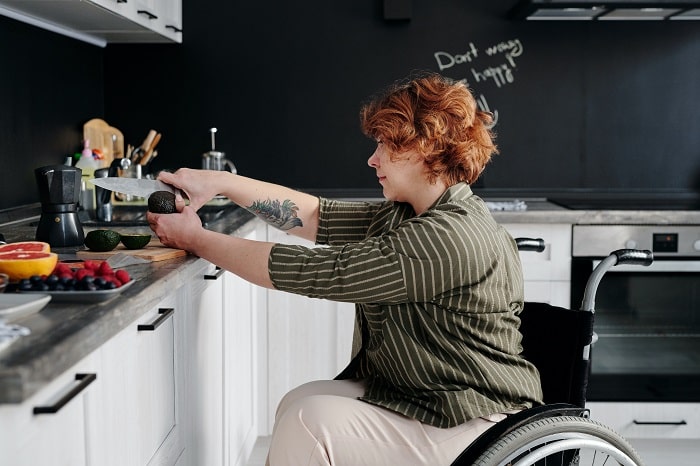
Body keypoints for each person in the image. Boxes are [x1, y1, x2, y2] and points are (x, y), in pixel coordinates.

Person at [147, 72, 543, 465]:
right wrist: (220, 183)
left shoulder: (448, 234)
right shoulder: (406, 214)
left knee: (307, 422)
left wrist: (196, 239)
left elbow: (317, 270)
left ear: (424, 146)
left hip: (474, 421)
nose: (372, 159)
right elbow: (316, 215)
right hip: (428, 395)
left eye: (385, 144)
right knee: (297, 402)